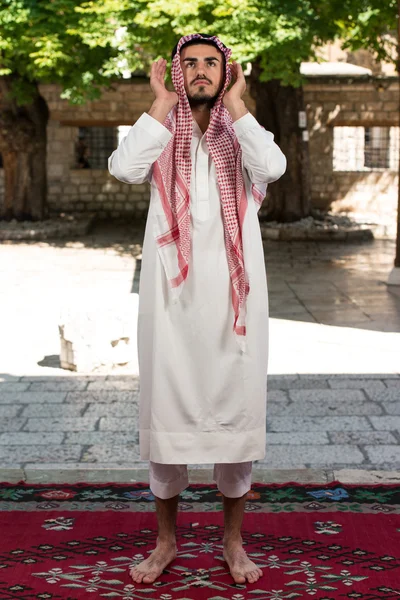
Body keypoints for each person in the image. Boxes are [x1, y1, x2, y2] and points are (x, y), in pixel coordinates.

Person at [108, 33, 287, 586]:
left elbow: (274, 167)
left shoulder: (244, 134)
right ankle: (166, 542)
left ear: (227, 72)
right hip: (171, 305)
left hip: (235, 306)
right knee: (167, 423)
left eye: (213, 63)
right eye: (192, 64)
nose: (202, 72)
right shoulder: (162, 133)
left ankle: (233, 544)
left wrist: (239, 105)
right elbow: (123, 168)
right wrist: (160, 104)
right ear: (177, 73)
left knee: (234, 423)